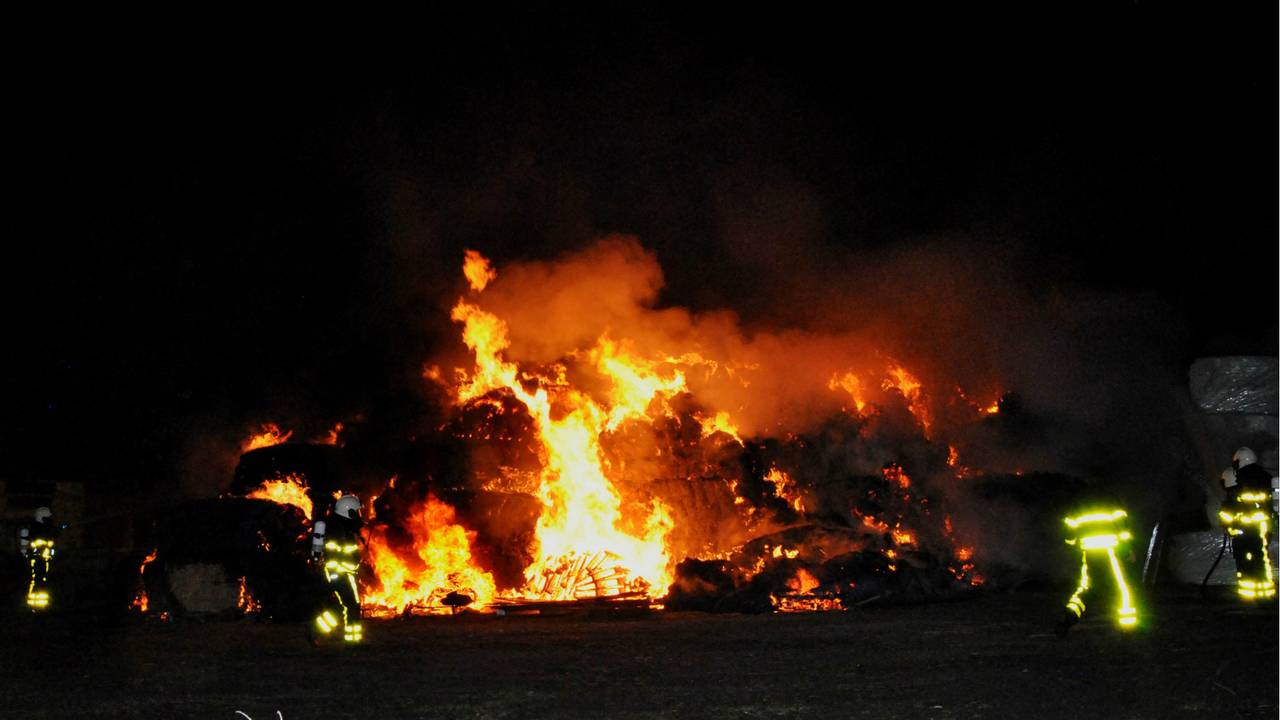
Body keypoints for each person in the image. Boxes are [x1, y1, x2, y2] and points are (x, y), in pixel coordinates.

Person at [1057, 498, 1139, 636]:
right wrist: (1127, 551)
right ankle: (1128, 625)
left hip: (1089, 553)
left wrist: (1075, 546)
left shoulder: (1077, 506)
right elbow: (1123, 531)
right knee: (1121, 587)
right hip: (1109, 551)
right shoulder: (1113, 503)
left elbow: (1069, 537)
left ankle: (1069, 615)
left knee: (1086, 587)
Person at [1218, 447, 1275, 601]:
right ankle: (1264, 592)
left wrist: (1228, 521)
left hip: (1248, 530)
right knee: (1260, 560)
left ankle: (1251, 595)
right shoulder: (1263, 476)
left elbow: (1238, 506)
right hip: (1263, 527)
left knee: (1247, 562)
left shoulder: (1244, 479)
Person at [310, 495, 364, 644]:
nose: (358, 515)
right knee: (352, 606)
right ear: (348, 512)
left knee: (343, 608)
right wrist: (354, 564)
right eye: (356, 512)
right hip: (340, 572)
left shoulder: (338, 526)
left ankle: (316, 630)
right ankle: (352, 642)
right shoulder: (338, 530)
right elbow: (341, 554)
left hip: (336, 572)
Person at [19, 507, 59, 611]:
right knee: (36, 580)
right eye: (47, 517)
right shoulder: (36, 530)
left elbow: (52, 543)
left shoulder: (45, 529)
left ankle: (41, 604)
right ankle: (34, 604)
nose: (49, 519)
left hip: (44, 560)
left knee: (43, 580)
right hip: (37, 560)